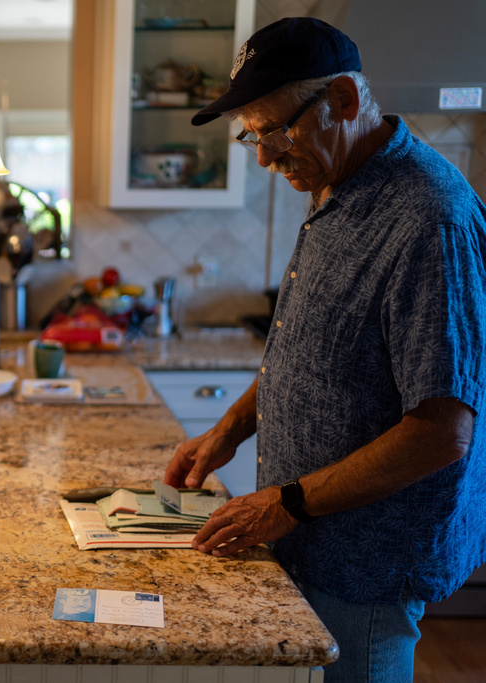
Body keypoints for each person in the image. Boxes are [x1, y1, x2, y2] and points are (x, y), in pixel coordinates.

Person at [163, 17, 486, 683]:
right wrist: (231, 426)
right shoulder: (333, 187)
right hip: (308, 539)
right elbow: (312, 352)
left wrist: (287, 503)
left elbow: (442, 431)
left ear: (342, 99)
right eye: (251, 135)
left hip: (364, 562)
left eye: (275, 131)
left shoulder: (430, 218)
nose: (263, 156)